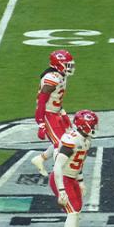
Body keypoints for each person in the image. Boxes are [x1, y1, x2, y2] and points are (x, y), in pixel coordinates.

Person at [50, 109, 99, 227]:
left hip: (72, 178)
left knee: (77, 211)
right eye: (92, 125)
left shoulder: (85, 140)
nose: (95, 128)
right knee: (72, 213)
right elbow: (57, 166)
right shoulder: (72, 140)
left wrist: (81, 181)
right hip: (62, 178)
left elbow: (78, 163)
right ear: (84, 126)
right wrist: (61, 190)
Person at [30, 49, 75, 177]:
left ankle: (40, 159)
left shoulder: (60, 75)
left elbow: (55, 98)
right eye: (67, 64)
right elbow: (41, 102)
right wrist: (41, 123)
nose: (70, 67)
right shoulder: (52, 78)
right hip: (48, 114)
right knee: (62, 145)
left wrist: (63, 112)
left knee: (68, 141)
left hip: (56, 112)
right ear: (58, 64)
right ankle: (60, 175)